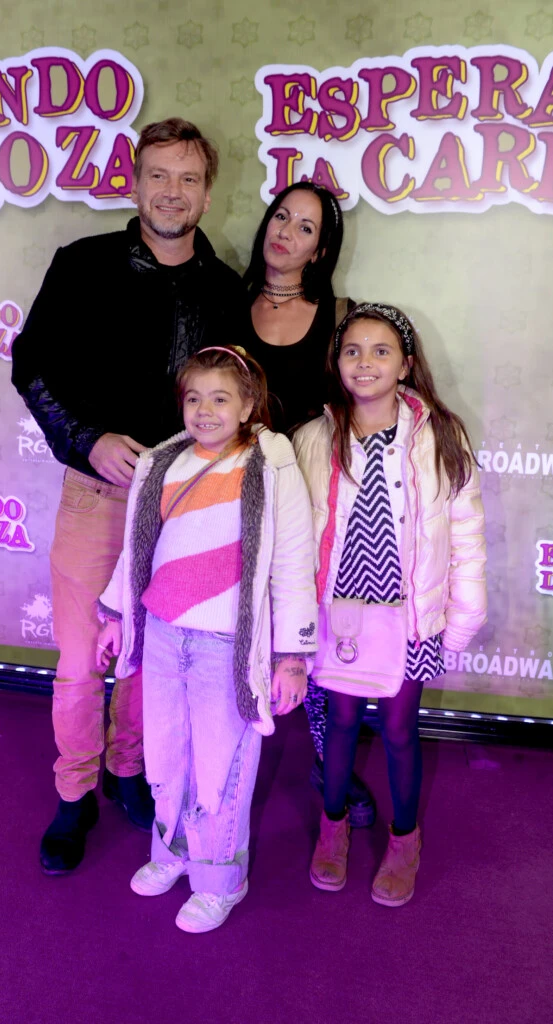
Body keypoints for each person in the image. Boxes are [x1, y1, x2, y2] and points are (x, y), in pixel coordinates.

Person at [11, 118, 248, 874]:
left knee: (150, 657)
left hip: (184, 506)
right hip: (98, 492)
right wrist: (86, 439)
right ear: (135, 183)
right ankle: (74, 791)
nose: (172, 192)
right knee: (82, 661)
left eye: (188, 178)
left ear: (206, 193)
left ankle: (126, 769)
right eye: (158, 175)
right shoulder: (82, 265)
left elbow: (238, 395)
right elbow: (30, 365)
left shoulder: (225, 289)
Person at [97, 345, 317, 932]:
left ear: (248, 405)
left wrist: (292, 656)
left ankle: (221, 879)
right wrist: (115, 614)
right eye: (194, 398)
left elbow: (293, 560)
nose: (205, 410)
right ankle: (172, 851)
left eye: (221, 399)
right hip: (164, 634)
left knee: (222, 765)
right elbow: (136, 549)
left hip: (227, 645)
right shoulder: (163, 462)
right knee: (166, 752)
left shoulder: (270, 463)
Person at [293, 303, 487, 906]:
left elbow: (466, 533)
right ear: (337, 362)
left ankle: (405, 838)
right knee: (341, 721)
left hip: (409, 618)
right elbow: (295, 540)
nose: (365, 362)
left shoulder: (442, 436)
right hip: (340, 616)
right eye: (352, 350)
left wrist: (463, 618)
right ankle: (333, 826)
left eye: (381, 351)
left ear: (405, 364)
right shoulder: (313, 437)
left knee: (400, 728)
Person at [243, 181, 375, 828]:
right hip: (233, 498)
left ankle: (331, 763)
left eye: (304, 227)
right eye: (281, 217)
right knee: (233, 627)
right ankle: (224, 761)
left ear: (320, 251)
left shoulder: (340, 318)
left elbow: (359, 406)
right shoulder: (223, 302)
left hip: (309, 504)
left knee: (311, 637)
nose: (285, 232)